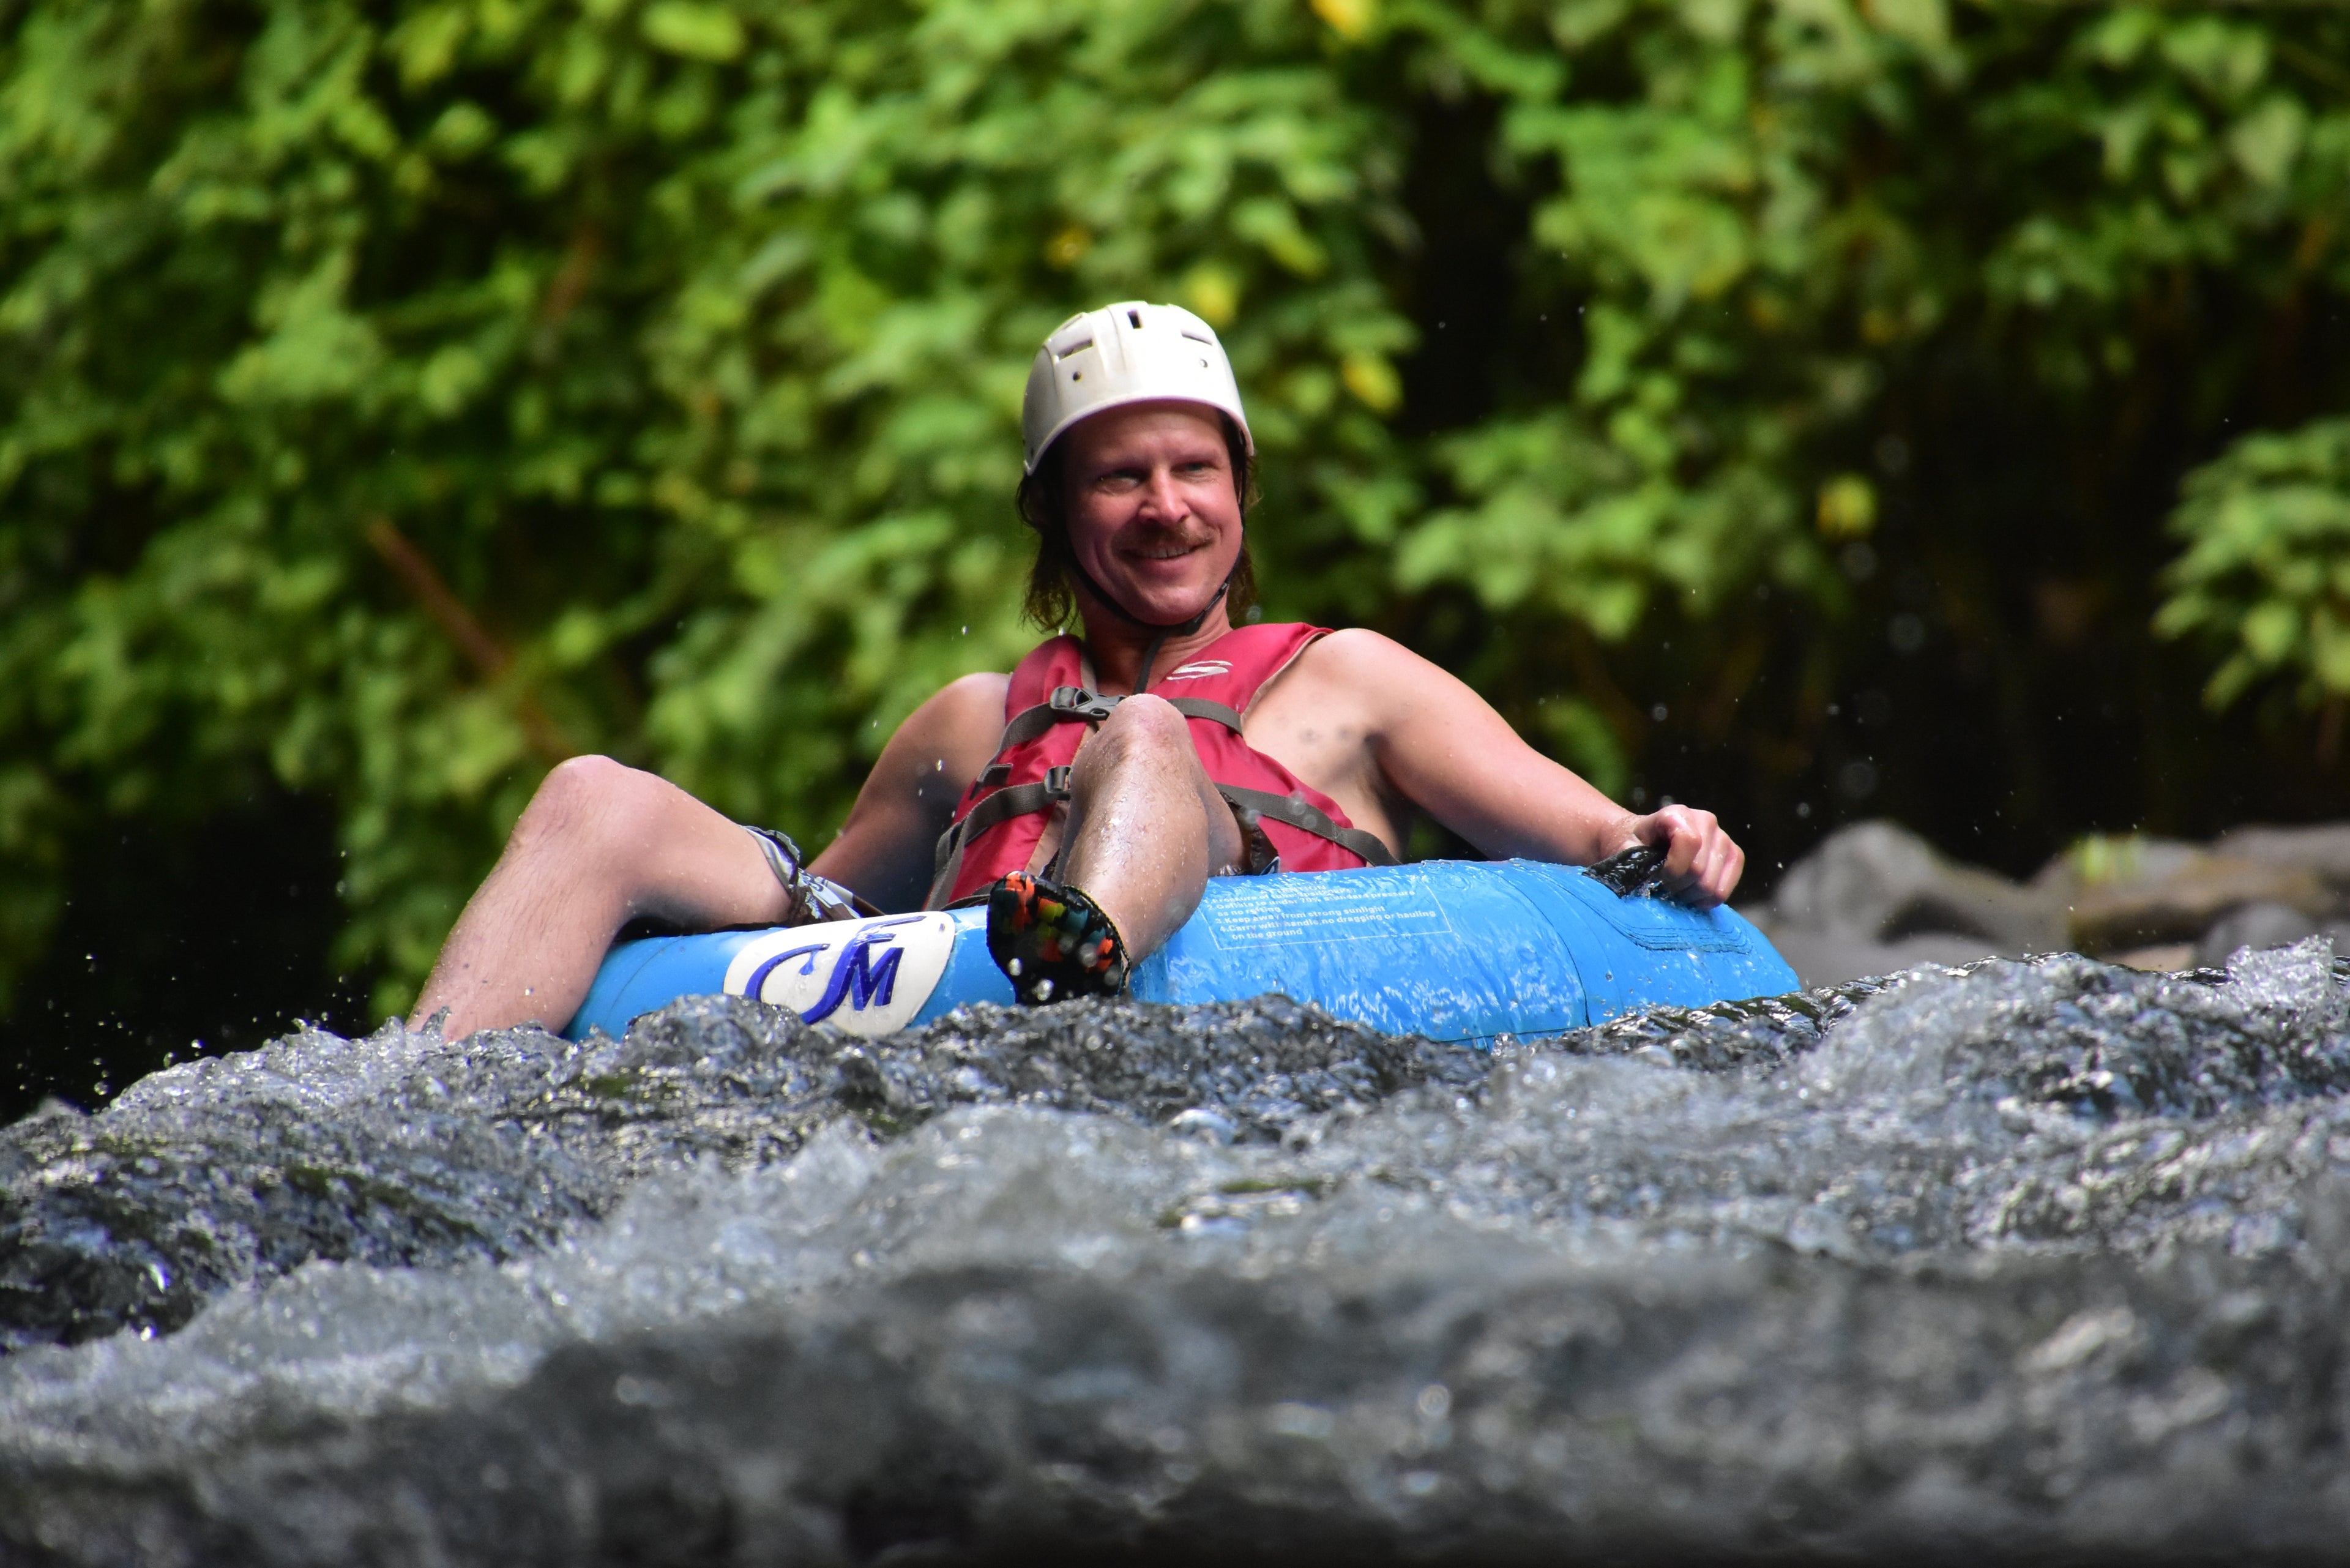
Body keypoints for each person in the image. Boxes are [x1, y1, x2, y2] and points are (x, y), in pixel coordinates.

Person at [411, 301, 1745, 1037]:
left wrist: (1655, 832)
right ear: (1057, 512)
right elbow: (826, 919)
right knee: (595, 788)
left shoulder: (1358, 683)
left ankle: (1081, 966)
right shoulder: (969, 721)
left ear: (1241, 492)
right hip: (965, 995)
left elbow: (1581, 827)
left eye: (1196, 471)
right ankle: (414, 1105)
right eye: (1122, 477)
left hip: (1219, 997)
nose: (1168, 507)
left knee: (1150, 735)